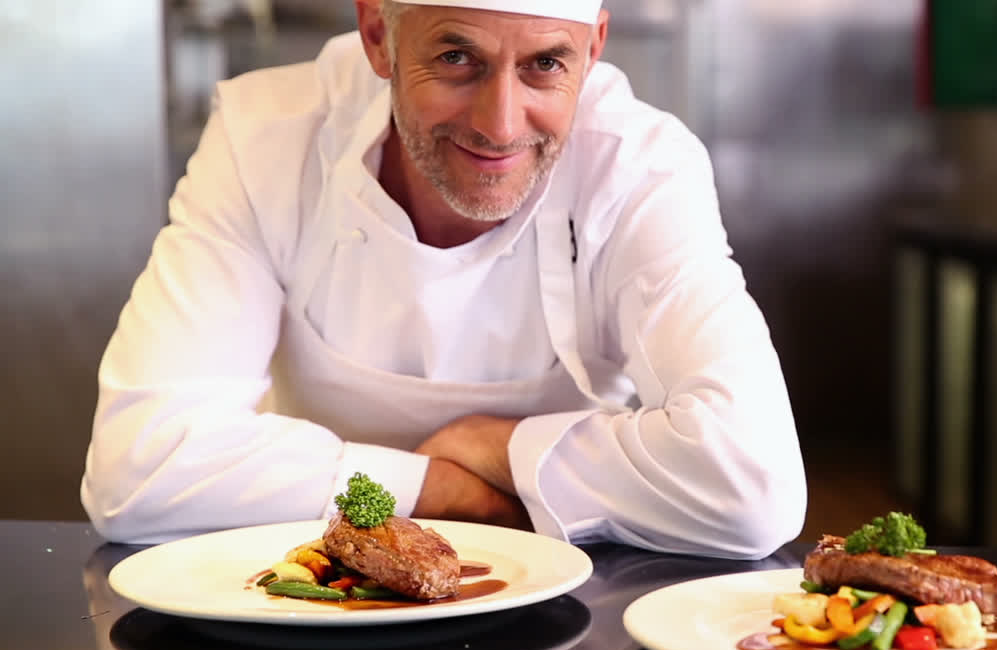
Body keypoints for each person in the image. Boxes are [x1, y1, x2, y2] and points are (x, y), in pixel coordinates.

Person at [81, 0, 806, 560]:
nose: (499, 123)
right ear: (377, 35)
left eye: (546, 65)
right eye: (458, 57)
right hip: (313, 599)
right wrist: (451, 490)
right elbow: (136, 469)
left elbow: (754, 486)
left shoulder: (640, 166)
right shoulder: (268, 137)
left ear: (594, 48)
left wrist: (496, 443)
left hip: (568, 617)